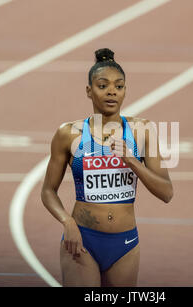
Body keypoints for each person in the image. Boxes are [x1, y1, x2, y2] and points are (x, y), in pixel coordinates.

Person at [41, 48, 173, 286]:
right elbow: (48, 190)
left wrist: (133, 161)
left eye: (119, 86)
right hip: (82, 240)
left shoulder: (142, 131)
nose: (112, 91)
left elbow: (166, 193)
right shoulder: (68, 134)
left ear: (124, 91)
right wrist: (67, 222)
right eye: (103, 86)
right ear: (89, 91)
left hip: (125, 245)